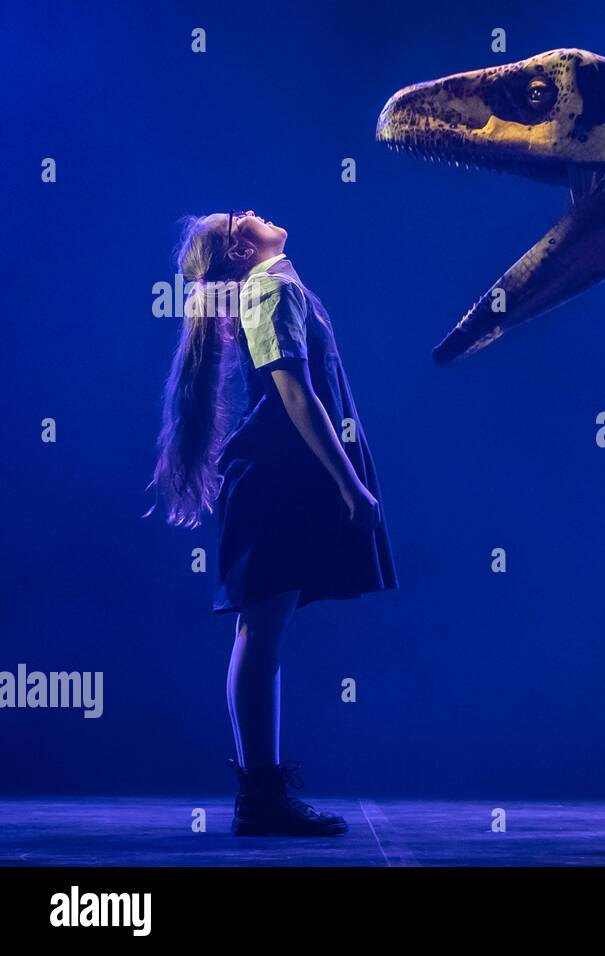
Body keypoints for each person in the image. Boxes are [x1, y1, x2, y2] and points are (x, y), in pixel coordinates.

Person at [150, 210, 397, 836]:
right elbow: (295, 391)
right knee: (259, 634)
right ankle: (260, 796)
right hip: (274, 483)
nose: (258, 214)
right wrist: (350, 484)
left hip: (275, 482)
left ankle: (262, 792)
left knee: (261, 633)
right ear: (240, 245)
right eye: (245, 216)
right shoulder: (273, 287)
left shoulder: (273, 286)